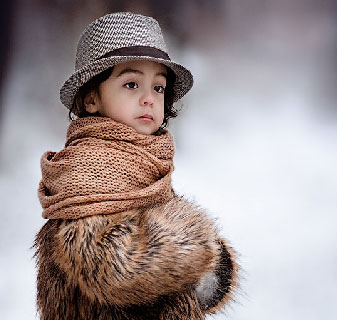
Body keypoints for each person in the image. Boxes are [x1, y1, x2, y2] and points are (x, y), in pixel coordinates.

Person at [35, 12, 238, 319]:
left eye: (158, 87)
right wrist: (195, 245)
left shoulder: (143, 165)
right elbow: (108, 265)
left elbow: (180, 285)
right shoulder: (87, 170)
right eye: (131, 84)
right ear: (91, 99)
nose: (149, 99)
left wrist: (210, 272)